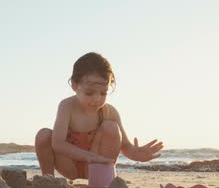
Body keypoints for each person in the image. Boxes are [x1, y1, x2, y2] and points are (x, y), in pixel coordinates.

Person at [34, 52, 163, 180]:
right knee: (43, 135)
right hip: (69, 165)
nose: (97, 99)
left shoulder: (109, 112)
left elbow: (125, 146)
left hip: (96, 167)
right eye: (89, 93)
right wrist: (88, 156)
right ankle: (48, 181)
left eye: (103, 93)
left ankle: (101, 181)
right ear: (74, 85)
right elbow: (58, 143)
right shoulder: (67, 106)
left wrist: (137, 154)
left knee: (111, 127)